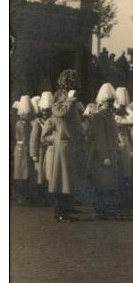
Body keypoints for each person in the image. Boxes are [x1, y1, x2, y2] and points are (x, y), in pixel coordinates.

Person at [44, 69, 85, 222]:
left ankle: (66, 207)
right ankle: (59, 212)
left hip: (71, 142)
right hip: (63, 143)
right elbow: (59, 112)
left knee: (68, 178)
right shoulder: (61, 97)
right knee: (61, 178)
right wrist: (69, 99)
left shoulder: (68, 98)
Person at [85, 83, 120, 219]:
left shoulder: (109, 116)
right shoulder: (98, 117)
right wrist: (104, 155)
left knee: (108, 184)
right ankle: (101, 210)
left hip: (110, 151)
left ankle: (105, 210)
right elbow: (100, 138)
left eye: (111, 102)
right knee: (102, 183)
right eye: (107, 102)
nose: (110, 105)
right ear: (101, 102)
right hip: (101, 154)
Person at [12, 94, 35, 203]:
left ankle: (24, 195)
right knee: (20, 172)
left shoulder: (25, 124)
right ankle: (20, 196)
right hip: (21, 149)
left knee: (24, 172)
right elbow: (24, 137)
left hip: (22, 148)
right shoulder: (21, 124)